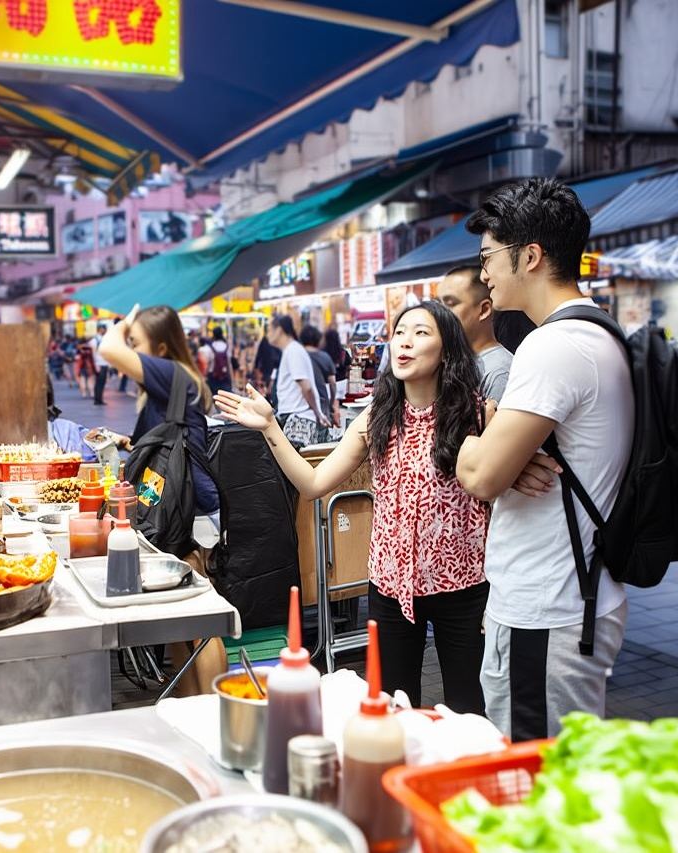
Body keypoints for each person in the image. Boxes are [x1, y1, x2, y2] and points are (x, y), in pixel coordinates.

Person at [217, 301, 491, 712]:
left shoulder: (479, 414)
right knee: (394, 707)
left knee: (468, 709)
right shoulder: (378, 416)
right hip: (390, 587)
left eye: (420, 333)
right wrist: (270, 427)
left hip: (465, 589)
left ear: (447, 349)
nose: (405, 342)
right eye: (400, 332)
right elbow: (312, 483)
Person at [454, 178, 633, 740]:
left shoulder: (553, 346)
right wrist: (497, 443)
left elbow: (482, 475)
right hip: (574, 594)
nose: (484, 273)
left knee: (536, 781)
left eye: (488, 257)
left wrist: (465, 438)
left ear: (529, 256)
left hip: (546, 605)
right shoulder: (600, 331)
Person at [99, 305, 225, 695]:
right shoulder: (167, 384)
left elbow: (107, 348)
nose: (130, 350)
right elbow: (160, 448)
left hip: (192, 513)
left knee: (201, 622)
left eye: (137, 343)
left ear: (164, 348)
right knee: (177, 622)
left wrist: (121, 325)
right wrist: (125, 443)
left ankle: (215, 708)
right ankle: (190, 711)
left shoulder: (173, 375)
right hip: (172, 510)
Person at [438, 265, 513, 403]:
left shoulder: (499, 372)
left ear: (484, 310)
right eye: (438, 304)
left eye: (450, 304)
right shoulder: (454, 361)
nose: (439, 313)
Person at [266, 315, 330, 446]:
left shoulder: (293, 350)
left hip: (299, 422)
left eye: (269, 330)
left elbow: (306, 387)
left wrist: (318, 413)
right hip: (295, 418)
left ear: (279, 330)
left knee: (294, 464)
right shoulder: (291, 350)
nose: (267, 334)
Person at [300, 325, 338, 427]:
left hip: (301, 399)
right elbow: (333, 383)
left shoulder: (297, 356)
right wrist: (332, 402)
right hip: (321, 399)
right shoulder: (324, 357)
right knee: (322, 431)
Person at [205, 325, 233, 397]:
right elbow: (229, 364)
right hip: (224, 377)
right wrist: (232, 379)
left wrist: (205, 376)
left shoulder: (210, 347)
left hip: (212, 377)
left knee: (213, 398)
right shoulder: (226, 346)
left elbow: (208, 363)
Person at [253, 331, 281, 396]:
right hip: (267, 374)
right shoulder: (269, 340)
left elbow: (258, 358)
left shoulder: (268, 340)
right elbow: (258, 358)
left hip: (268, 373)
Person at [92, 323, 110, 406]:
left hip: (104, 363)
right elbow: (93, 353)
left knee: (102, 382)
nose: (105, 330)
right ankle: (97, 399)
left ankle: (100, 399)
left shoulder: (104, 339)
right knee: (99, 382)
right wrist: (96, 365)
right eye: (104, 329)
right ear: (100, 329)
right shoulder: (95, 340)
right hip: (99, 364)